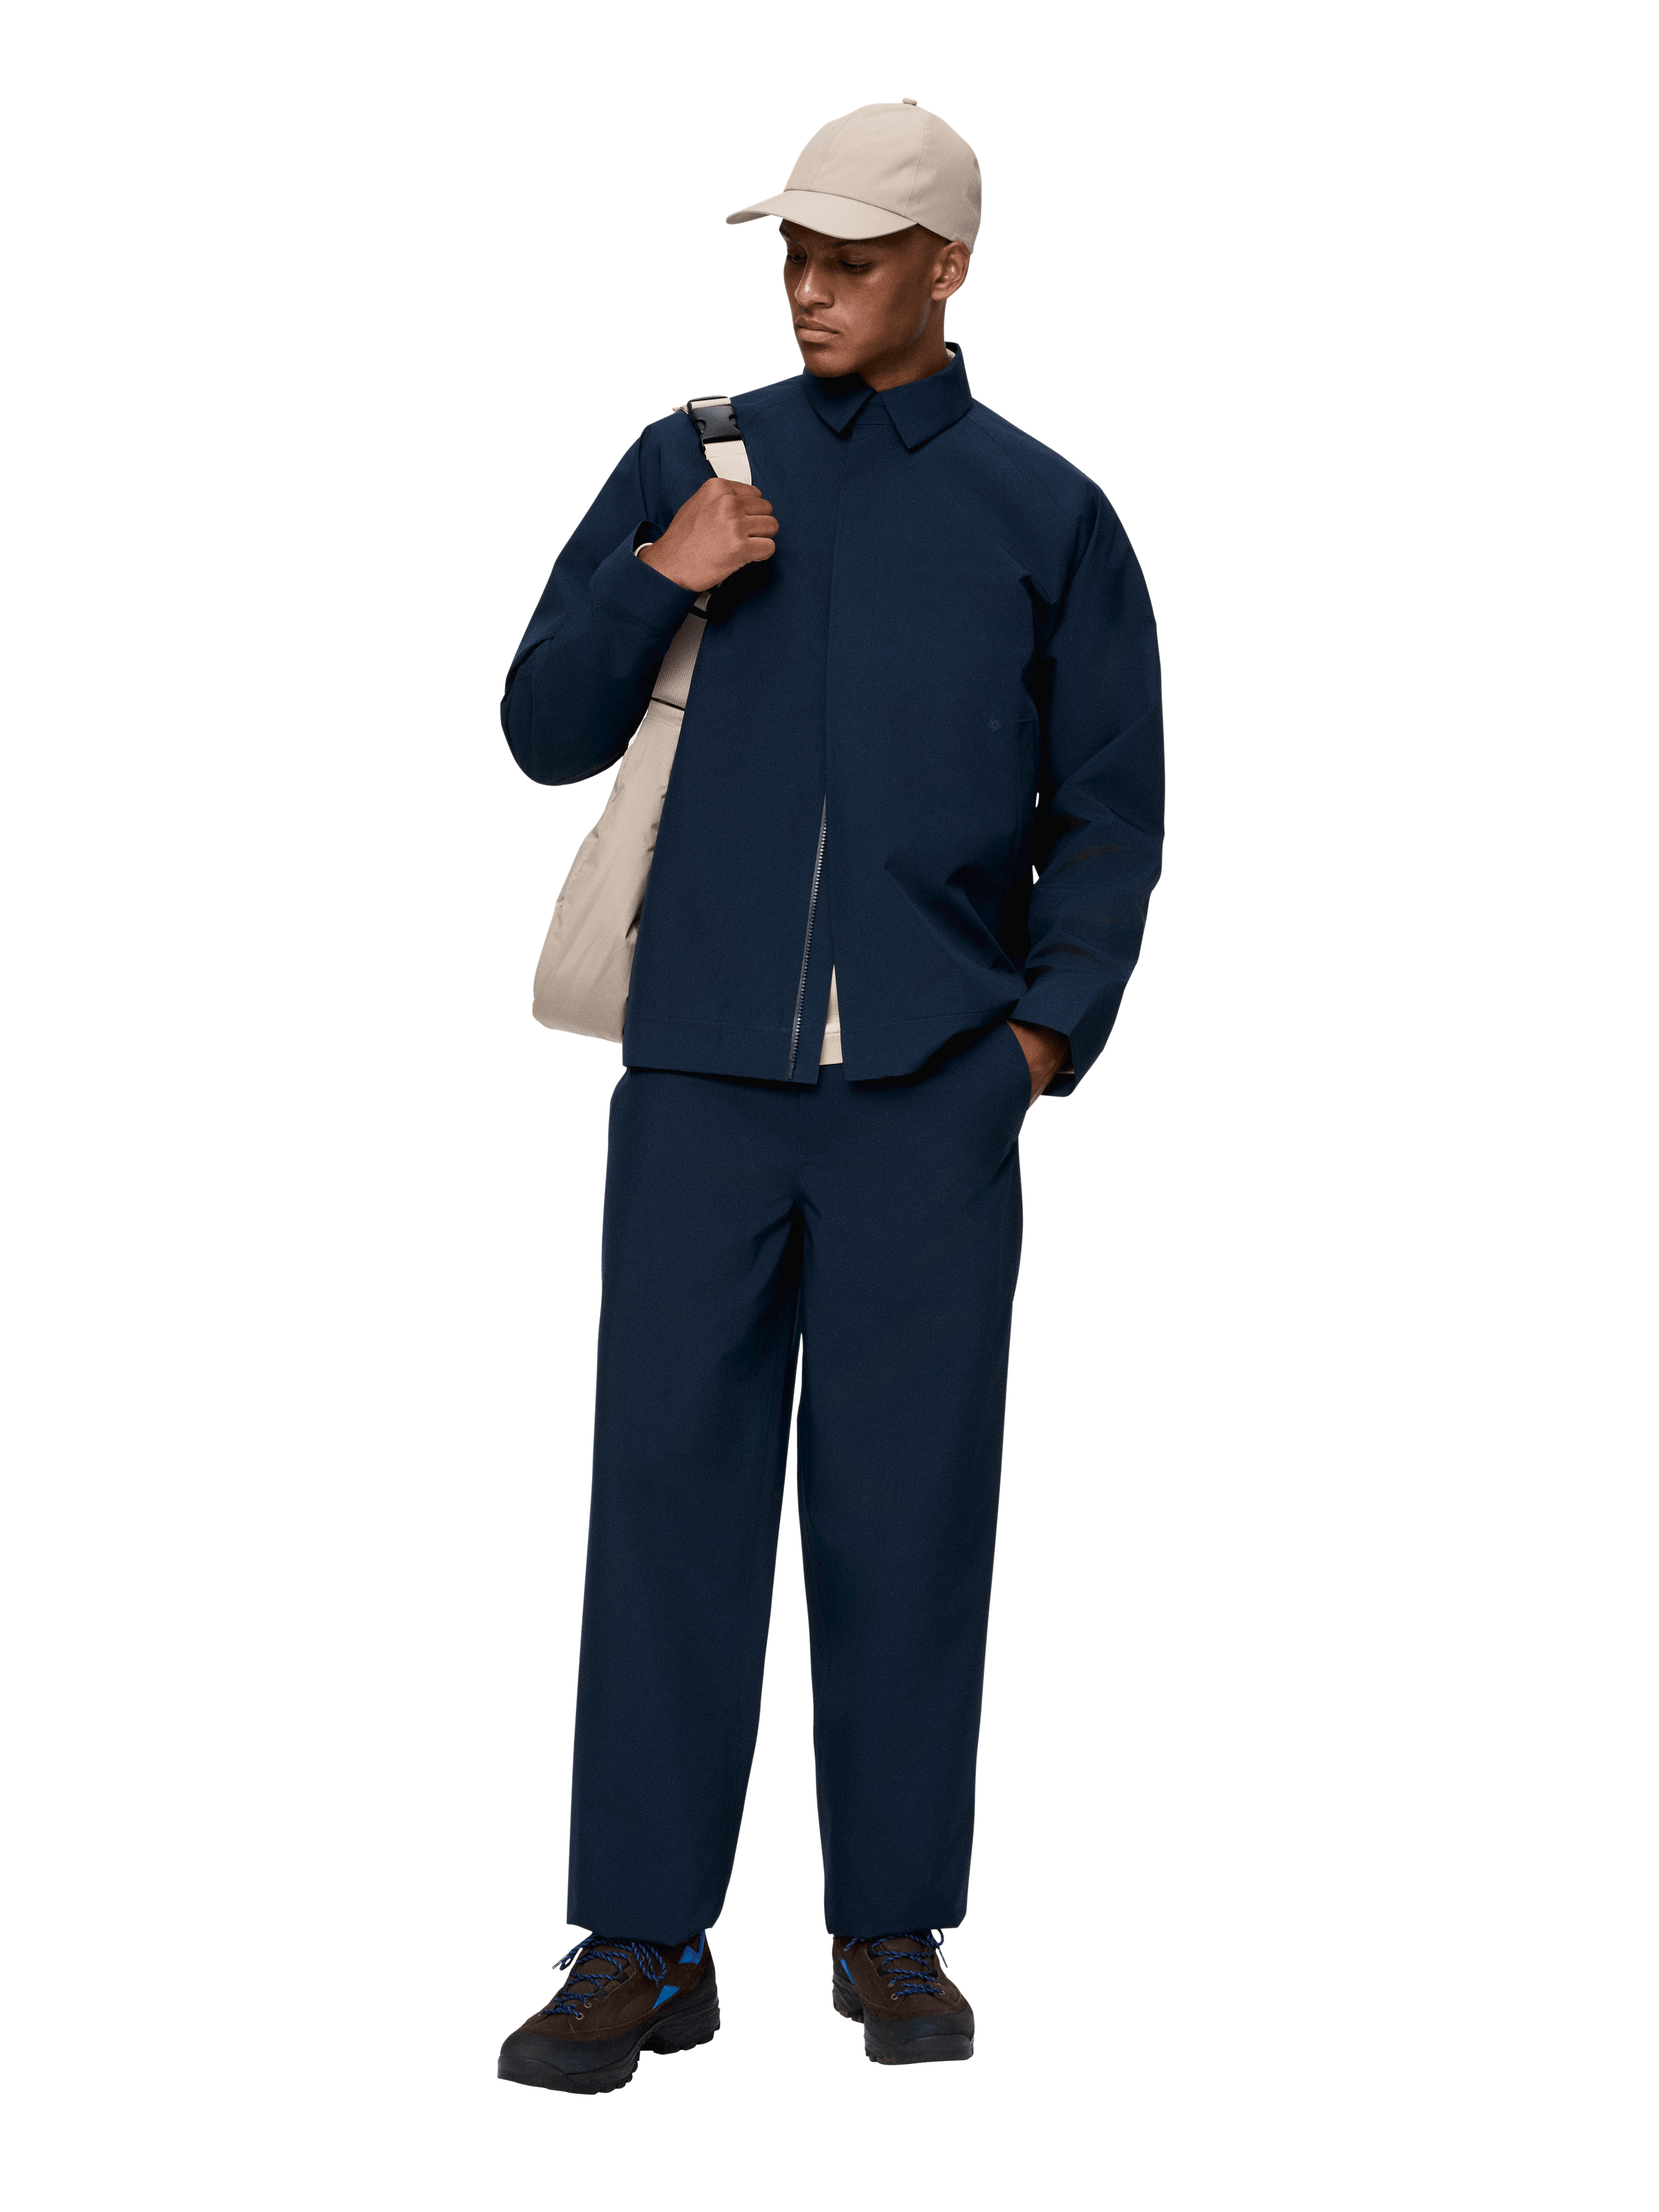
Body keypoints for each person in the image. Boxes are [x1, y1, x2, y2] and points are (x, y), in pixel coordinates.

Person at [494, 97, 1164, 2094]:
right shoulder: (691, 462)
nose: (810, 288)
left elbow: (1110, 811)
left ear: (946, 269)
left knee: (911, 1511)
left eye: (854, 258)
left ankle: (892, 1926)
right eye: (795, 251)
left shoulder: (1049, 515)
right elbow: (541, 722)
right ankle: (642, 1942)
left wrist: (1039, 1039)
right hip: (699, 1086)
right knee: (665, 1504)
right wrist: (664, 573)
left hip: (931, 1101)